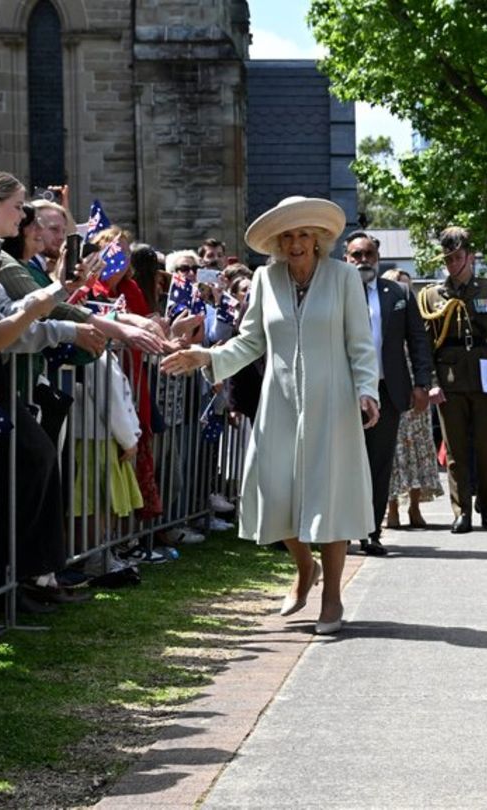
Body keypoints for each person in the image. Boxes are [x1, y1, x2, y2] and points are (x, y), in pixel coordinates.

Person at [161, 196, 380, 635]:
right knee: (270, 489)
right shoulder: (265, 278)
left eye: (303, 235)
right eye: (288, 236)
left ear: (318, 239)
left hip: (332, 402)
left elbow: (359, 342)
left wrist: (366, 390)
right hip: (279, 403)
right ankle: (304, 567)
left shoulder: (342, 278)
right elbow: (249, 341)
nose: (296, 243)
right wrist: (206, 356)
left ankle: (332, 596)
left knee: (329, 495)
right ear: (279, 243)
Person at [417, 227, 487, 533]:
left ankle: (485, 504)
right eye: (448, 259)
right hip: (449, 378)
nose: (452, 264)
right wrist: (432, 381)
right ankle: (461, 511)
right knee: (455, 449)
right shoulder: (432, 295)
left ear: (470, 257)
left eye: (458, 257)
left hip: (485, 376)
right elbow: (425, 345)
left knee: (486, 446)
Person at [344, 232, 433, 556]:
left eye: (368, 254)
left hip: (387, 390)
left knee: (378, 464)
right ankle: (341, 532)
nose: (363, 261)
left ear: (377, 259)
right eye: (356, 255)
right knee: (343, 463)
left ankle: (371, 532)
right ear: (346, 258)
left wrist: (422, 383)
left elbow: (418, 341)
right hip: (344, 391)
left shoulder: (397, 293)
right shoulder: (335, 292)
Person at [382, 269, 445, 529]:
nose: (402, 292)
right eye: (397, 286)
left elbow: (426, 350)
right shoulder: (379, 311)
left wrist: (427, 384)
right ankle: (391, 507)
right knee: (392, 452)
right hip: (390, 387)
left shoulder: (417, 316)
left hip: (414, 387)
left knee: (419, 449)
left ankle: (415, 507)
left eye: (406, 287)